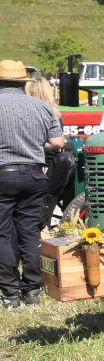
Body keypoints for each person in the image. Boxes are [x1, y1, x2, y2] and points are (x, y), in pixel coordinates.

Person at [0, 59, 66, 307]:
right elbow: (58, 143)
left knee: (3, 234)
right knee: (29, 233)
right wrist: (32, 145)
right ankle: (31, 290)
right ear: (22, 83)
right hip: (34, 174)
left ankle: (10, 292)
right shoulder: (42, 107)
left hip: (3, 174)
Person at [25, 78, 75, 216]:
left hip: (38, 166)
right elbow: (58, 143)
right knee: (47, 207)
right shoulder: (54, 113)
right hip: (52, 166)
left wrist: (33, 145)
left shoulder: (28, 113)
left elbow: (57, 143)